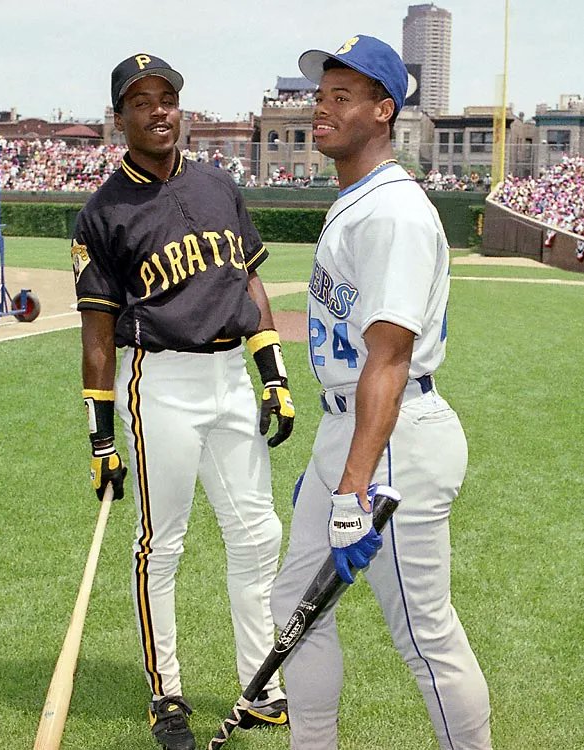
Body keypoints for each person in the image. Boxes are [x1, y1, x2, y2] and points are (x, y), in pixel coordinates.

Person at [270, 34, 492, 750]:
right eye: (319, 95)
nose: (321, 109)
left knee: (423, 633)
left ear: (382, 109)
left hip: (393, 440)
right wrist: (335, 460)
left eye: (341, 97)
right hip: (356, 431)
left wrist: (351, 484)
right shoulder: (359, 199)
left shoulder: (392, 211)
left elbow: (389, 358)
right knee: (294, 605)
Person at [71, 52, 295, 750]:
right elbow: (98, 333)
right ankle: (165, 693)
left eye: (166, 97)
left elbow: (249, 289)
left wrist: (274, 374)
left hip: (231, 375)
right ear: (120, 119)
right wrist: (100, 438)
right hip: (158, 381)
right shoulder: (102, 212)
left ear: (180, 107)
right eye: (140, 101)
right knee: (159, 546)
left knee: (256, 535)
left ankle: (260, 686)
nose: (158, 110)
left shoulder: (219, 186)